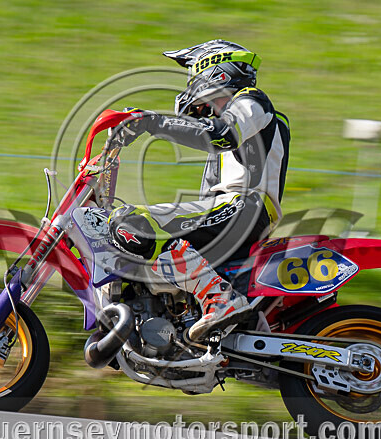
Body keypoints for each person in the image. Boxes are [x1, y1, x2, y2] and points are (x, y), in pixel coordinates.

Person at [109, 39, 290, 340]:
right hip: (231, 209)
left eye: (194, 73)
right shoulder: (227, 120)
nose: (191, 83)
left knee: (136, 222)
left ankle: (220, 299)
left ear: (216, 71)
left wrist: (152, 122)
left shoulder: (251, 101)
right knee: (135, 242)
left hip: (246, 208)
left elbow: (223, 134)